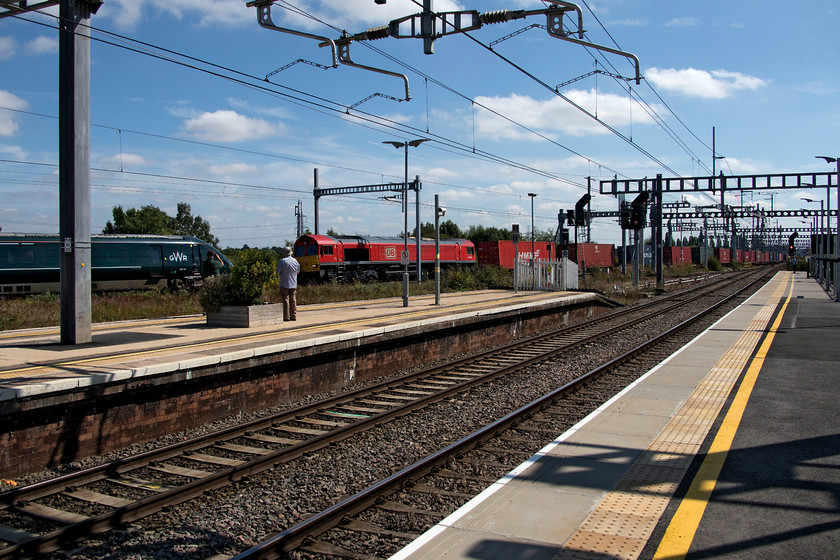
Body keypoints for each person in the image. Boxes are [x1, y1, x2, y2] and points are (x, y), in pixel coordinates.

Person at [277, 247, 300, 321]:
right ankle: (293, 315)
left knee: (285, 299)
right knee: (293, 299)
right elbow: (298, 271)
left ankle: (286, 316)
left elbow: (277, 271)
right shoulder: (295, 261)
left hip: (284, 282)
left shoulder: (282, 261)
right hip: (293, 282)